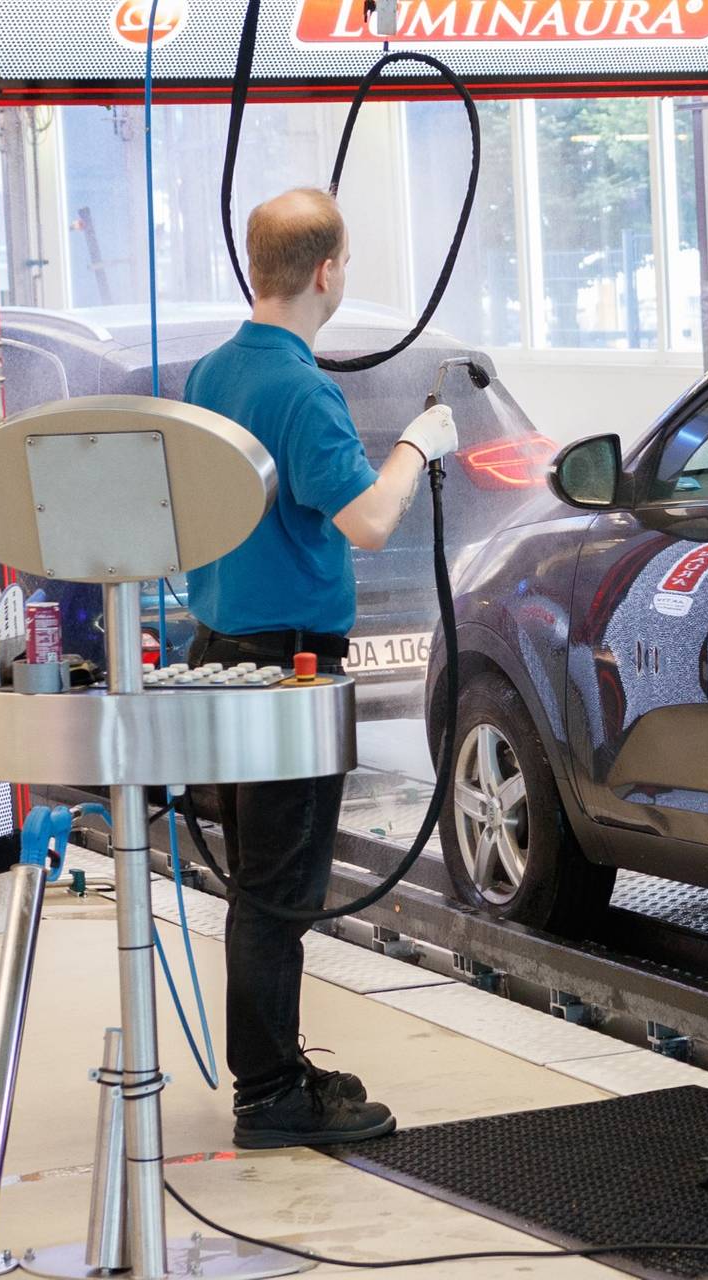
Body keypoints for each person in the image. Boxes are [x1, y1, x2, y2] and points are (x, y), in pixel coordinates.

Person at [180, 187, 455, 1149]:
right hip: (287, 667)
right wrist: (419, 445)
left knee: (259, 881)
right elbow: (369, 519)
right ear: (328, 270)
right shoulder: (301, 390)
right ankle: (270, 1097)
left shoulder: (209, 375)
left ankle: (271, 1069)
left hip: (218, 656)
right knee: (279, 890)